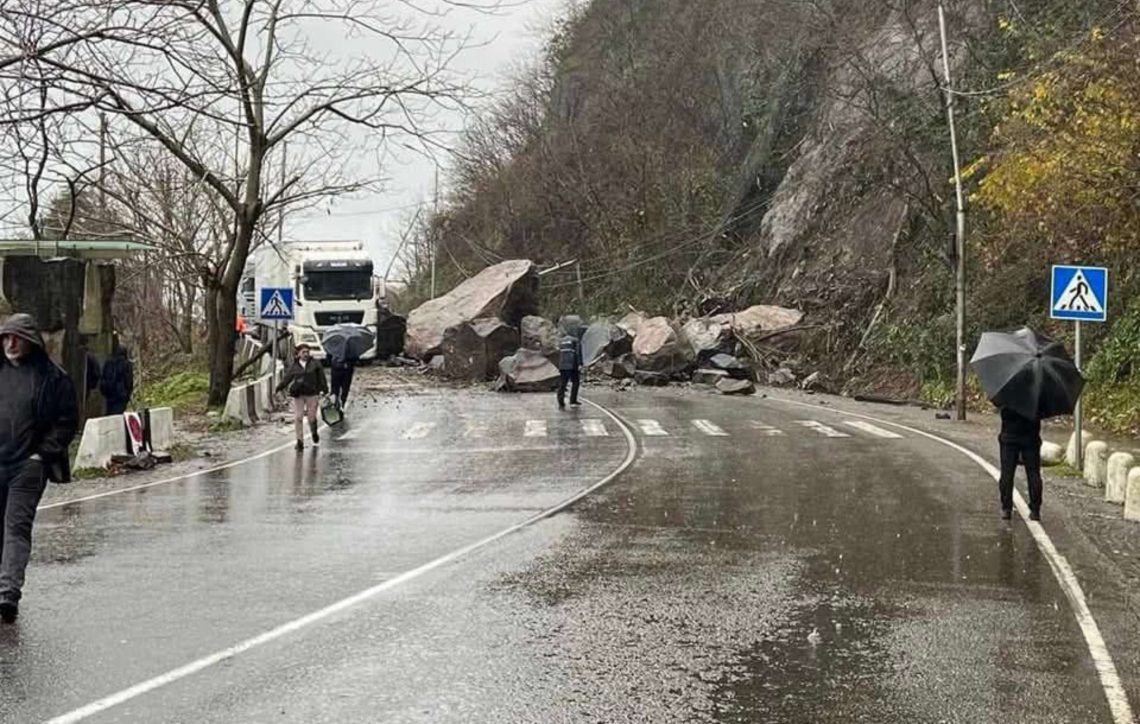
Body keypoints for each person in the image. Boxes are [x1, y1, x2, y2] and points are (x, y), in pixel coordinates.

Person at [0, 314, 78, 623]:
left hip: (27, 466)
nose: (11, 344)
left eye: (17, 338)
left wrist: (42, 455)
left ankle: (8, 593)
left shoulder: (52, 378)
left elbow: (67, 421)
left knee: (16, 525)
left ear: (31, 342)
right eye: (6, 337)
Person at [278, 343, 327, 451]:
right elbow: (287, 378)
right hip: (299, 395)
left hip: (312, 394)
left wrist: (324, 390)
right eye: (303, 352)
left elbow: (322, 378)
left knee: (311, 417)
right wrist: (278, 388)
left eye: (307, 352)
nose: (306, 354)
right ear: (298, 354)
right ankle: (299, 441)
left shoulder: (315, 364)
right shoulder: (294, 366)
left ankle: (314, 432)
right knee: (298, 417)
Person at [997, 406, 1043, 522]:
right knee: (1033, 473)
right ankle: (1035, 509)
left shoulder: (1008, 396)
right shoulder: (1036, 398)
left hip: (1009, 436)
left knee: (1007, 473)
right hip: (1031, 438)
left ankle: (1006, 508)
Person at [100, 338, 134, 415]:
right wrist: (128, 393)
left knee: (110, 413)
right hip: (121, 394)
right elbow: (129, 381)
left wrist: (105, 391)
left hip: (110, 394)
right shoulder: (126, 364)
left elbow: (103, 378)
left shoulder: (108, 362)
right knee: (118, 414)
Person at [556, 322, 583, 410]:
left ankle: (560, 401)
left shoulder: (561, 341)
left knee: (563, 383)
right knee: (575, 382)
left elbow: (558, 352)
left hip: (562, 365)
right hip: (572, 364)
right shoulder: (575, 340)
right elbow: (578, 353)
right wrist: (580, 363)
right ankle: (573, 401)